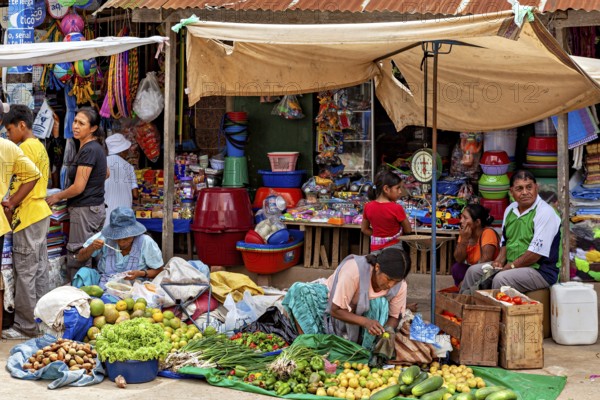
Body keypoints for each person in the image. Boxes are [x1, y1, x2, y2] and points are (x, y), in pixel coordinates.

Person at [283, 247, 410, 348]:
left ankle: (366, 349)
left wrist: (386, 332)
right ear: (377, 267)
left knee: (380, 303)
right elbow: (335, 310)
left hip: (365, 324)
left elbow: (394, 317)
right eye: (389, 279)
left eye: (396, 282)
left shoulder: (400, 285)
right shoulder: (353, 271)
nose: (390, 285)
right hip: (334, 313)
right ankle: (310, 345)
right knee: (299, 290)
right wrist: (366, 322)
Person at [460, 170, 561, 294]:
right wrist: (500, 260)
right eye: (519, 189)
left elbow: (534, 254)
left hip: (540, 271)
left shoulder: (545, 212)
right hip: (512, 265)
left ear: (536, 188)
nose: (525, 192)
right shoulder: (510, 210)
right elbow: (505, 242)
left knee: (500, 279)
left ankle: (493, 312)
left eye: (529, 187)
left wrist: (510, 267)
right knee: (472, 272)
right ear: (511, 192)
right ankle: (465, 307)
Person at [1, 105, 52, 340]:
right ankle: (41, 321)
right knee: (40, 269)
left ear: (22, 126)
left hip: (28, 214)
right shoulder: (39, 146)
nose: (8, 135)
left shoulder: (24, 148)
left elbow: (21, 183)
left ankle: (24, 326)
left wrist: (10, 204)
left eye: (10, 130)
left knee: (25, 272)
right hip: (41, 213)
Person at [46, 108, 108, 281]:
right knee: (90, 253)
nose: (75, 126)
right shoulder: (96, 147)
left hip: (85, 210)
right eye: (75, 121)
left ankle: (78, 297)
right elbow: (107, 173)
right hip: (94, 209)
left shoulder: (89, 149)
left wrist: (56, 196)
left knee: (79, 257)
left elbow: (79, 187)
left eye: (81, 123)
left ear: (93, 128)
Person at [76, 207, 164, 288]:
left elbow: (159, 270)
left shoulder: (146, 242)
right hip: (105, 282)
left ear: (134, 233)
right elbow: (80, 258)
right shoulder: (105, 237)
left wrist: (141, 273)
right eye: (117, 237)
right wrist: (92, 247)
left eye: (126, 238)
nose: (121, 242)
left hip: (134, 287)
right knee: (84, 273)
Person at [361, 170, 412, 252]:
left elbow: (364, 229)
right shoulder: (397, 208)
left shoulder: (368, 206)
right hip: (394, 250)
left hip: (375, 250)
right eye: (398, 188)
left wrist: (379, 236)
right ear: (386, 189)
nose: (400, 191)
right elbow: (408, 230)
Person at [451, 204, 499, 287]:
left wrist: (466, 280)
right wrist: (464, 240)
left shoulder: (488, 233)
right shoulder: (464, 233)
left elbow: (485, 261)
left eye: (465, 218)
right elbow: (458, 259)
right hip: (473, 271)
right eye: (461, 217)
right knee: (456, 268)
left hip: (487, 274)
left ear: (477, 222)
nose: (461, 221)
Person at [104, 133, 139, 226]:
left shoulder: (102, 163)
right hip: (124, 213)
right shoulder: (129, 167)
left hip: (105, 211)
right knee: (123, 238)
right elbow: (135, 194)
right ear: (122, 151)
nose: (127, 152)